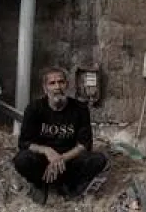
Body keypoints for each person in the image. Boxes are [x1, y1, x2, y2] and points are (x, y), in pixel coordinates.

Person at [13, 67, 108, 199]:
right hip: (43, 162)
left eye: (61, 82)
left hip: (69, 161)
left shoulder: (80, 109)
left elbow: (84, 145)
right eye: (52, 83)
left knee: (98, 159)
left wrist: (61, 159)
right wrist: (47, 151)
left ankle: (70, 185)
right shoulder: (34, 108)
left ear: (67, 85)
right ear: (45, 88)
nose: (57, 87)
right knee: (22, 159)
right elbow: (24, 143)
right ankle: (40, 184)